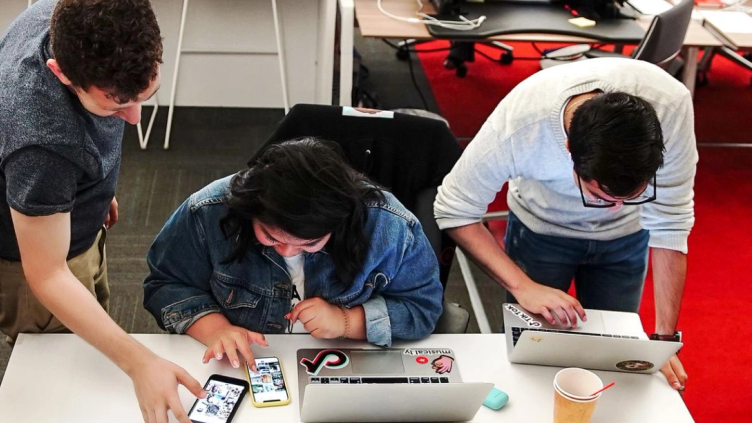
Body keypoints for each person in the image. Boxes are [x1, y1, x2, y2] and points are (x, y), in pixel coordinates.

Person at [0, 0, 203, 423]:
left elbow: (96, 118)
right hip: (22, 263)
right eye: (116, 105)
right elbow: (48, 275)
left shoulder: (84, 9)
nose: (132, 118)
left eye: (145, 95)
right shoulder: (42, 143)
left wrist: (85, 192)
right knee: (65, 385)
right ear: (60, 73)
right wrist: (141, 362)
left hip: (60, 216)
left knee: (93, 354)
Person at [434, 58, 696, 391]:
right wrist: (522, 287)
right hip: (541, 231)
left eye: (633, 196)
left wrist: (663, 339)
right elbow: (453, 209)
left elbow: (670, 226)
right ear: (569, 149)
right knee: (530, 360)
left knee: (614, 359)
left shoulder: (671, 106)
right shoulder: (521, 124)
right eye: (599, 197)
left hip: (626, 240)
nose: (614, 209)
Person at [144, 138, 443, 370]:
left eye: (309, 243)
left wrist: (346, 322)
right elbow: (165, 284)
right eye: (271, 236)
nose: (287, 250)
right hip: (246, 363)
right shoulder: (208, 210)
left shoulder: (389, 226)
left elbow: (423, 307)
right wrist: (216, 330)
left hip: (342, 364)